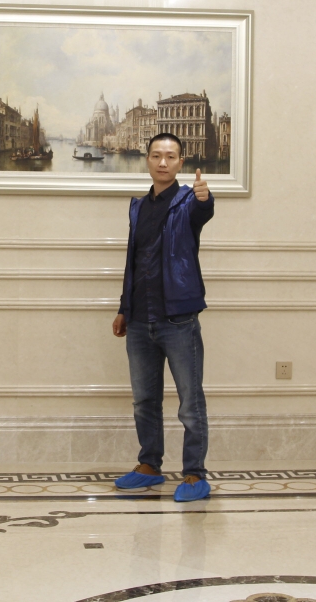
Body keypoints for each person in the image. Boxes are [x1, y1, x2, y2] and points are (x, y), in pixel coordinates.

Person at [111, 132, 214, 502]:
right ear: (148, 160)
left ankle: (194, 474)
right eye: (156, 155)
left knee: (190, 401)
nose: (163, 162)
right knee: (144, 400)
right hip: (140, 320)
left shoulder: (188, 201)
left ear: (181, 162)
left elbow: (204, 210)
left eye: (171, 156)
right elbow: (133, 260)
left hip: (178, 319)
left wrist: (205, 198)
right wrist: (124, 308)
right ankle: (149, 466)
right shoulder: (138, 207)